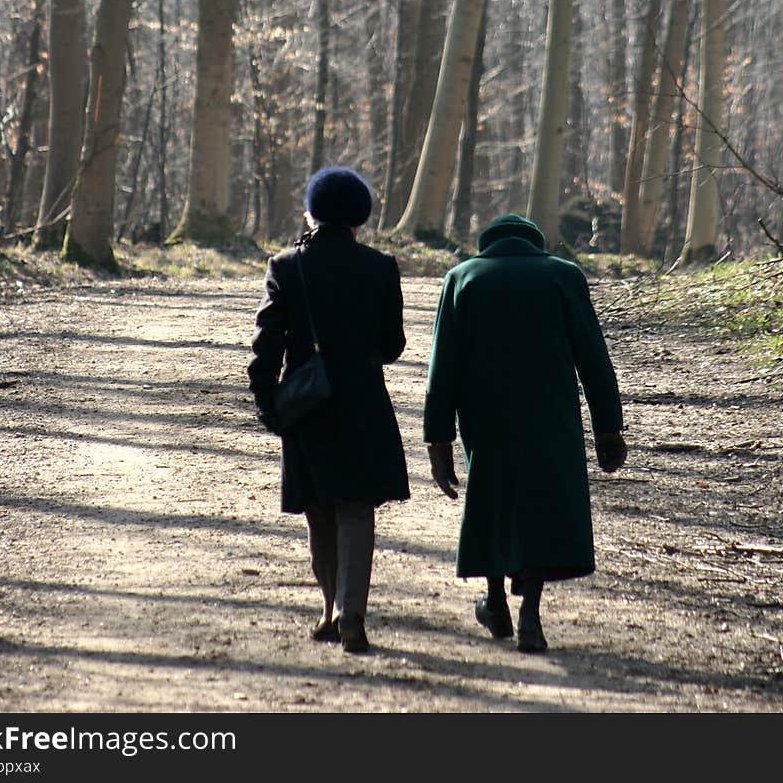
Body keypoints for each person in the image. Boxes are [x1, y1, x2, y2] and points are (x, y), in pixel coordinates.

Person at [423, 213, 626, 653]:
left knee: (492, 499)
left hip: (485, 415)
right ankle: (530, 615)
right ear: (536, 244)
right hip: (550, 416)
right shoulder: (563, 276)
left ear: (486, 243)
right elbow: (593, 356)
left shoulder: (463, 277)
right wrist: (608, 427)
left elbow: (444, 364)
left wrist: (438, 437)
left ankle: (495, 602)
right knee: (539, 506)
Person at [248, 166, 410, 654]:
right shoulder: (381, 267)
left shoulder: (286, 266)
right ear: (359, 218)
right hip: (364, 402)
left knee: (319, 510)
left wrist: (267, 404)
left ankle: (327, 610)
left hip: (308, 405)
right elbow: (391, 346)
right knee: (357, 509)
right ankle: (351, 612)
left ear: (311, 212)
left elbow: (264, 347)